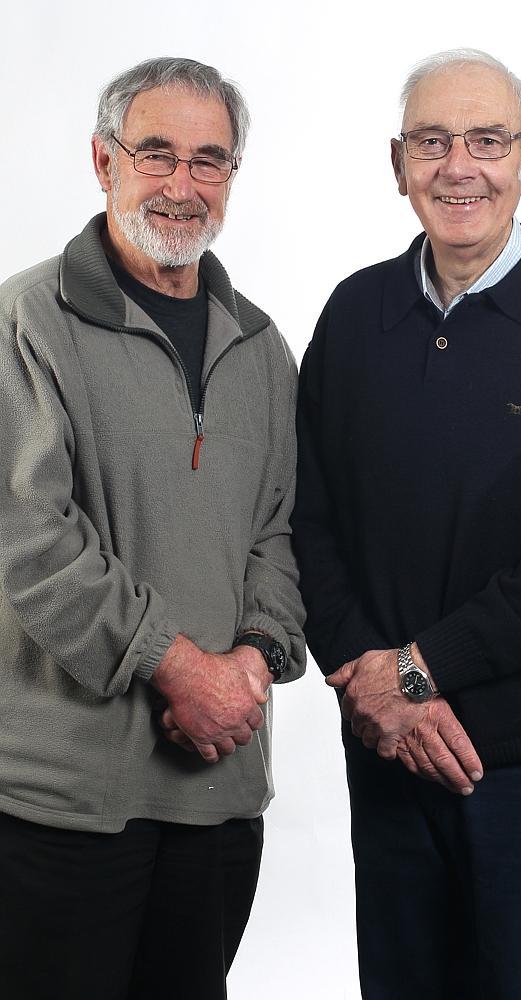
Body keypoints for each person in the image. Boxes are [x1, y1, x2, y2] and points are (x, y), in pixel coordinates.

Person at [292, 48, 521, 999]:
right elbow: (306, 524)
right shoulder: (354, 314)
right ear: (397, 163)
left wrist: (416, 669)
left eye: (488, 140)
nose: (460, 166)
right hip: (390, 767)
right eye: (431, 140)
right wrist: (379, 694)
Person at [0, 56, 305, 1000]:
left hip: (218, 790)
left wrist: (254, 658)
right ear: (103, 161)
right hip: (63, 800)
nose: (183, 185)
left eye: (209, 160)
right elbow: (28, 535)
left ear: (232, 177)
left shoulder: (262, 349)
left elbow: (282, 535)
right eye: (157, 153)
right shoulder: (25, 320)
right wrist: (179, 665)